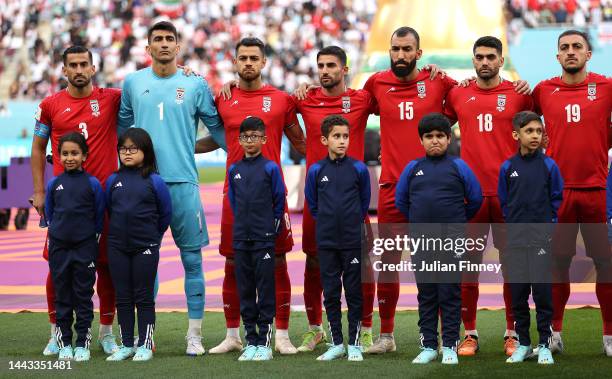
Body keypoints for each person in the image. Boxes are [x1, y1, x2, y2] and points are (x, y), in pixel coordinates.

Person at [118, 21, 226, 356]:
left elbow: (218, 130)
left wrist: (196, 148)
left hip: (183, 183)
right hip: (143, 185)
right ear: (148, 47)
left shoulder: (195, 84)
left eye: (169, 39)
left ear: (178, 47)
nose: (164, 44)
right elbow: (121, 131)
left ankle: (194, 335)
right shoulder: (133, 83)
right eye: (157, 39)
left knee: (192, 260)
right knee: (145, 263)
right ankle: (145, 337)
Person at [202, 37, 304, 355]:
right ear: (235, 62)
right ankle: (233, 335)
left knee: (277, 260)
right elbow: (216, 139)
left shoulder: (282, 100)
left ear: (264, 63)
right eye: (242, 57)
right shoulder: (223, 99)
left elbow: (300, 142)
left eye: (253, 58)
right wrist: (178, 149)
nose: (248, 63)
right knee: (233, 262)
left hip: (271, 196)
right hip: (235, 196)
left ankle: (282, 335)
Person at [443, 36, 534, 356]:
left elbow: (539, 133)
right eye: (479, 57)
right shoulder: (458, 93)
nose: (484, 62)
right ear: (473, 61)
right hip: (471, 197)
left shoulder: (520, 95)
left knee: (514, 268)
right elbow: (437, 127)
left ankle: (513, 333)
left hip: (510, 196)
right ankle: (469, 334)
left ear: (500, 60)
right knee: (467, 268)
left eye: (490, 57)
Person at [31, 45, 120, 356]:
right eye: (74, 65)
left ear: (93, 68)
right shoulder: (50, 105)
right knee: (58, 269)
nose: (80, 69)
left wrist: (187, 73)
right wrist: (40, 191)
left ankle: (106, 333)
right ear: (64, 70)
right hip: (65, 203)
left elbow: (151, 88)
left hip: (104, 201)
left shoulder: (112, 98)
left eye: (85, 64)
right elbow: (38, 148)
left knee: (106, 268)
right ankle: (57, 333)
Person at [531, 29, 612, 355]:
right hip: (557, 194)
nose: (570, 52)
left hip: (596, 191)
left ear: (589, 54)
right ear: (557, 56)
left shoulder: (606, 86)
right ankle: (554, 334)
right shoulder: (543, 90)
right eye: (564, 48)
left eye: (577, 47)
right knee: (556, 264)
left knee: (607, 264)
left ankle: (609, 337)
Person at [291, 45, 376, 352]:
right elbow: (281, 115)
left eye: (331, 65)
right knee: (314, 262)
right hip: (320, 198)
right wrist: (301, 145)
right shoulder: (305, 98)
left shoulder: (362, 99)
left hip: (353, 200)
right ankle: (316, 329)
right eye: (320, 65)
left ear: (344, 69)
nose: (324, 70)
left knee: (362, 265)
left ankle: (365, 328)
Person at [395, 113, 483, 365]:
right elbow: (402, 202)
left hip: (451, 240)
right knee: (427, 293)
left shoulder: (459, 166)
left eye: (440, 136)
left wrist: (456, 222)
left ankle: (450, 347)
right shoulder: (413, 168)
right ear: (421, 140)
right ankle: (429, 346)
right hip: (421, 240)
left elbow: (475, 199)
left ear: (449, 138)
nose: (435, 141)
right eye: (429, 136)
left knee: (450, 292)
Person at [498, 111, 563, 364]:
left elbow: (556, 197)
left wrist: (546, 226)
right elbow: (505, 201)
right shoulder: (508, 167)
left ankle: (544, 345)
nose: (535, 135)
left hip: (540, 241)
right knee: (518, 294)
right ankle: (523, 344)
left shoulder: (549, 165)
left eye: (538, 131)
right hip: (515, 241)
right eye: (529, 131)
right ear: (517, 135)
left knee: (543, 294)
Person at [305, 115, 371, 361]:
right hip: (327, 242)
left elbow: (364, 202)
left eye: (345, 136)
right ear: (325, 140)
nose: (342, 141)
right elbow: (313, 205)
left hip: (353, 241)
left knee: (354, 293)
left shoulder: (359, 169)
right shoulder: (316, 170)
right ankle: (336, 343)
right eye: (336, 136)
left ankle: (354, 344)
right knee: (331, 293)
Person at [105, 128, 172, 362]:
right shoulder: (113, 180)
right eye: (123, 149)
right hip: (117, 247)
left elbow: (165, 214)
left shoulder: (155, 181)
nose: (128, 153)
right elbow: (109, 210)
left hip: (145, 246)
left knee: (143, 296)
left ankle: (145, 344)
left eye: (133, 148)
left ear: (146, 151)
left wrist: (152, 237)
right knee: (122, 296)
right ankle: (126, 345)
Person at [228, 117, 286, 361]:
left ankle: (265, 343)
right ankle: (250, 340)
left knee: (265, 289)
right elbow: (233, 202)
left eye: (254, 136)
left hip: (263, 239)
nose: (249, 141)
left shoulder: (270, 168)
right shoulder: (234, 170)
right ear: (239, 140)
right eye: (245, 137)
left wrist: (269, 230)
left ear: (264, 139)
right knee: (245, 290)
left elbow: (278, 200)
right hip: (241, 238)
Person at [45, 132, 105, 362]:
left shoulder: (92, 185)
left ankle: (82, 343)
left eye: (74, 153)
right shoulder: (54, 184)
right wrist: (59, 235)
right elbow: (51, 214)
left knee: (82, 296)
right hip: (59, 248)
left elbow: (98, 217)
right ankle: (64, 344)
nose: (70, 158)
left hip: (85, 247)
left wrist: (88, 240)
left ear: (84, 156)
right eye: (65, 154)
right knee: (62, 296)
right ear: (58, 157)